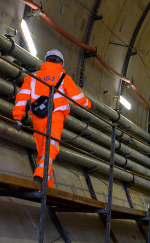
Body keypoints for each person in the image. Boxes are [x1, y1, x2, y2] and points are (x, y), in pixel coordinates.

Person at [12, 49, 91, 188]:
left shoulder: (33, 76)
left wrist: (17, 117)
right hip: (55, 116)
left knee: (42, 148)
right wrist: (88, 104)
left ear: (47, 60)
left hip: (37, 117)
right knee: (51, 146)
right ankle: (41, 174)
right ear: (61, 63)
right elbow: (78, 99)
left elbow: (21, 97)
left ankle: (47, 184)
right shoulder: (64, 78)